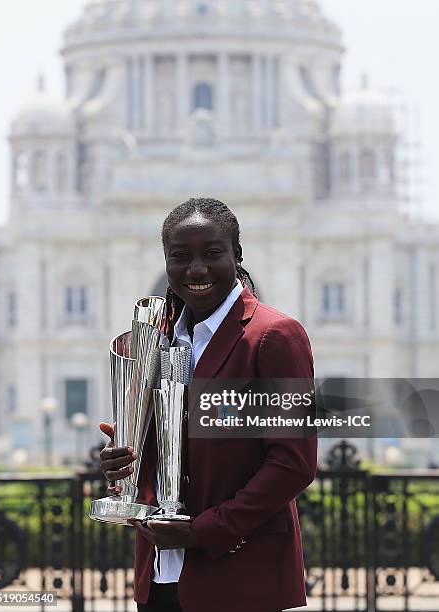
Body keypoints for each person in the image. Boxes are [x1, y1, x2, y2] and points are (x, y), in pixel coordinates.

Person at [99, 197, 317, 612]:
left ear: (236, 256)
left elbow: (293, 463)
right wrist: (122, 464)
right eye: (180, 256)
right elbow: (151, 448)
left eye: (212, 254)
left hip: (239, 576)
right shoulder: (156, 340)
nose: (196, 270)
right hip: (161, 573)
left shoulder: (273, 336)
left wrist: (205, 531)